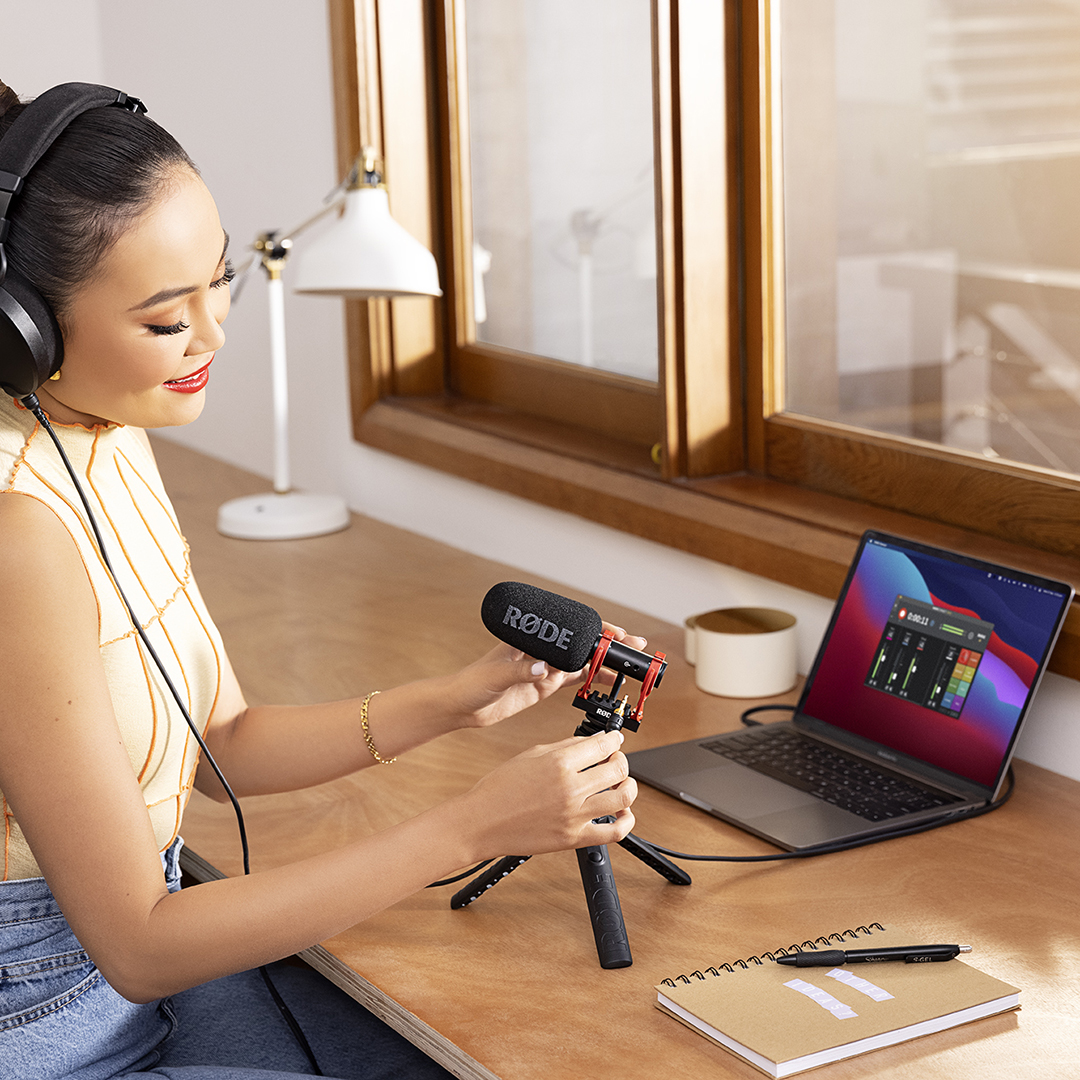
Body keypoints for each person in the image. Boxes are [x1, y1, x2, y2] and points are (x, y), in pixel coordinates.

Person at [0, 81, 640, 1079]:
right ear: (24, 328)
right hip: (56, 1015)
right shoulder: (17, 536)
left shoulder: (104, 426)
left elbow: (218, 747)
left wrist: (452, 704)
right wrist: (470, 825)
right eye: (167, 321)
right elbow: (139, 945)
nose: (212, 335)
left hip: (137, 963)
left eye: (217, 283)